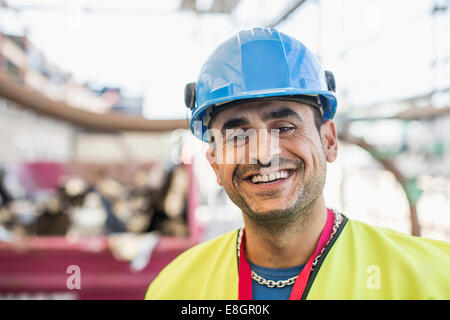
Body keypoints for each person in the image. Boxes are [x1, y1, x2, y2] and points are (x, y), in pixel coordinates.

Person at [145, 28, 449, 300]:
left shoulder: (433, 280)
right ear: (214, 164)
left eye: (285, 127)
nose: (263, 154)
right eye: (237, 135)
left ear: (329, 141)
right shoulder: (175, 288)